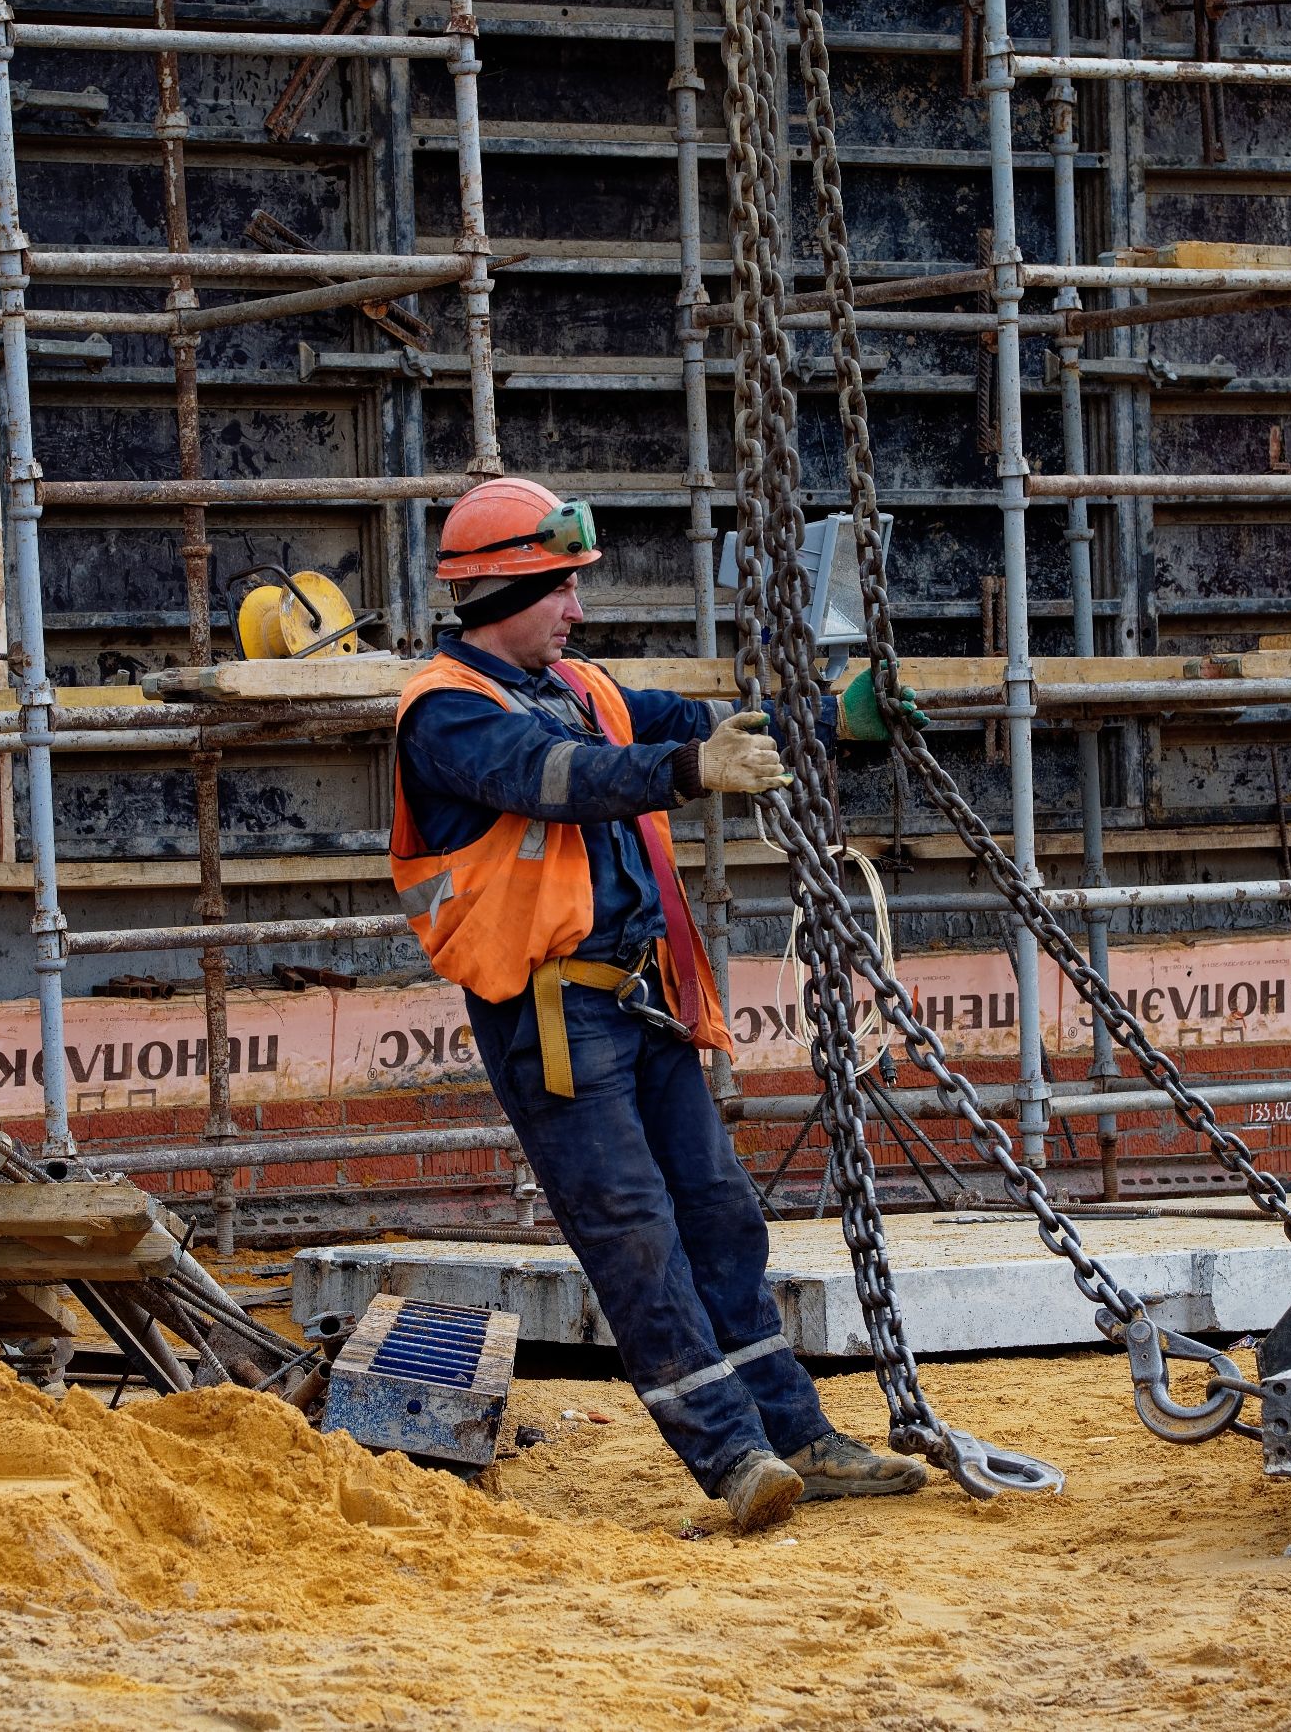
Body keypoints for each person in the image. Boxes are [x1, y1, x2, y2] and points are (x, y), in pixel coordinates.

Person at [391, 476, 927, 1531]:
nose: (577, 610)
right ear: (503, 587)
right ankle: (732, 1455)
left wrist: (830, 718)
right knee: (634, 1232)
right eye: (560, 590)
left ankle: (797, 1433)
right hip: (550, 1015)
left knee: (721, 1216)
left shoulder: (581, 684)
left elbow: (695, 724)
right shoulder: (447, 711)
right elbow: (556, 778)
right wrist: (690, 768)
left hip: (639, 1002)